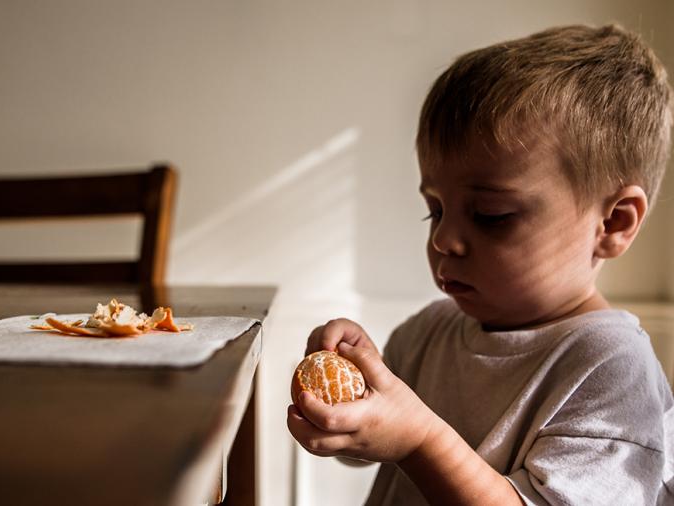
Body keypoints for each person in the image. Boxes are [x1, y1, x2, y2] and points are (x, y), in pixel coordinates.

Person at [287, 24, 674, 505]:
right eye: (436, 209)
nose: (444, 238)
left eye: (492, 216)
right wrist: (350, 408)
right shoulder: (427, 333)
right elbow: (366, 447)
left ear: (612, 223)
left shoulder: (611, 370)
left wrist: (418, 440)